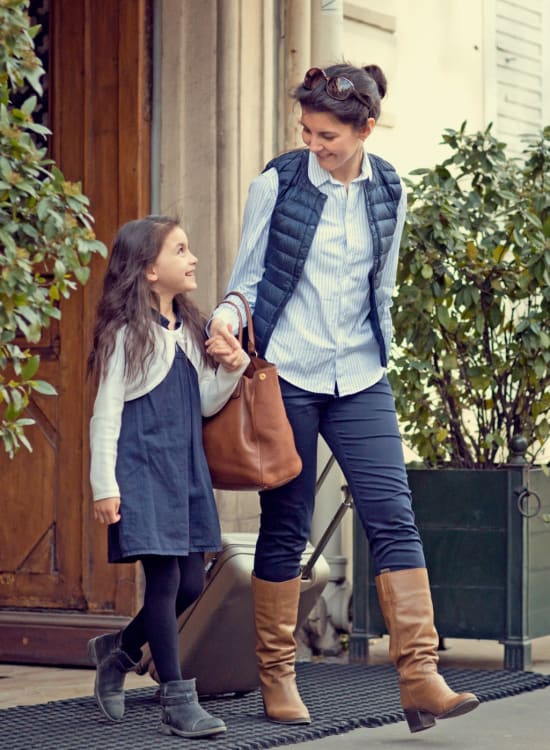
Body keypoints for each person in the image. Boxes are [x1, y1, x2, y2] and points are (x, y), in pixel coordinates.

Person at [209, 63, 480, 734]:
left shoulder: (389, 187)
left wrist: (384, 347)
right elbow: (248, 275)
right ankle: (276, 674)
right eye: (307, 130)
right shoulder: (276, 183)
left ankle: (419, 674)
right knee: (287, 524)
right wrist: (224, 315)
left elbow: (381, 284)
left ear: (366, 128)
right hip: (291, 373)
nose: (315, 144)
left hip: (360, 375)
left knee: (392, 514)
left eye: (327, 134)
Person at [87, 215, 248, 739]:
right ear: (150, 270)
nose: (193, 258)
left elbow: (202, 403)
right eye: (180, 250)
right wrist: (104, 485)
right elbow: (106, 413)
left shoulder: (190, 330)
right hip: (143, 469)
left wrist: (233, 367)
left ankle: (119, 651)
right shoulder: (124, 334)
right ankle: (178, 702)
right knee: (164, 580)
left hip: (184, 471)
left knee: (193, 582)